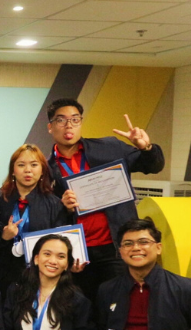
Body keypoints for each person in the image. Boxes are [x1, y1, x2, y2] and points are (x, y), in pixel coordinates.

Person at [44, 99, 165, 301]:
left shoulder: (109, 148)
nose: (69, 125)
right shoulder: (45, 169)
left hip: (115, 247)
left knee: (119, 306)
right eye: (61, 120)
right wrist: (62, 206)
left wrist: (146, 147)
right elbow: (47, 215)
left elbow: (152, 166)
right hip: (79, 254)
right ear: (50, 126)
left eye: (75, 119)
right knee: (84, 310)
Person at [0, 144, 70, 296]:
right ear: (13, 171)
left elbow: (61, 242)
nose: (28, 170)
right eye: (21, 165)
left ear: (42, 171)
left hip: (41, 277)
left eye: (34, 165)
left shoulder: (54, 203)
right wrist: (3, 237)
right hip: (2, 274)